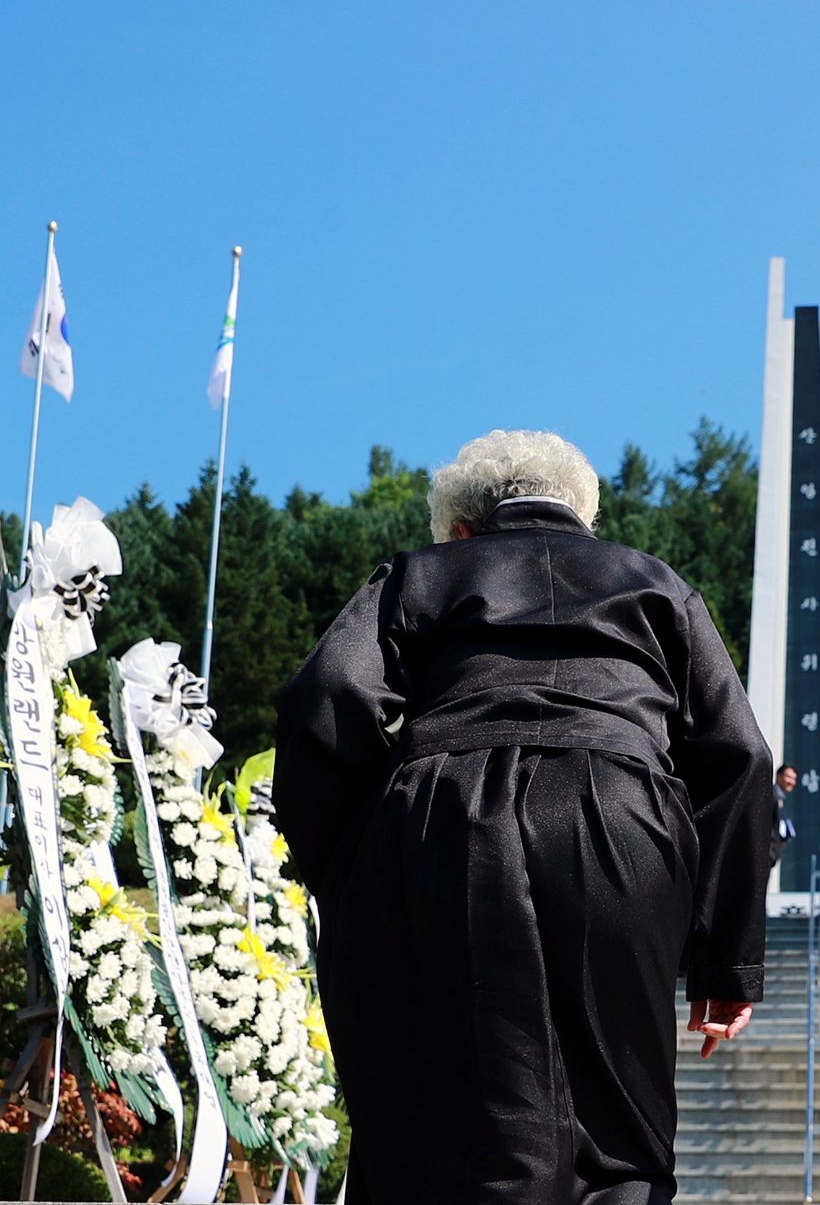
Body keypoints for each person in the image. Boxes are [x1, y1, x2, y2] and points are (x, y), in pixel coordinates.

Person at [275, 429, 772, 1205]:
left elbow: (324, 701)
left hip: (437, 814)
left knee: (431, 1119)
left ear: (464, 528)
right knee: (617, 1136)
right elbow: (739, 758)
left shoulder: (418, 574)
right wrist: (727, 960)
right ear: (581, 515)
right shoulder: (655, 584)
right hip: (623, 816)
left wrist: (351, 869)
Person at [771, 764, 800, 871]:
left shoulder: (781, 798)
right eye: (788, 777)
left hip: (773, 850)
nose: (791, 781)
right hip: (767, 850)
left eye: (794, 779)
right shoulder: (771, 794)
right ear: (779, 775)